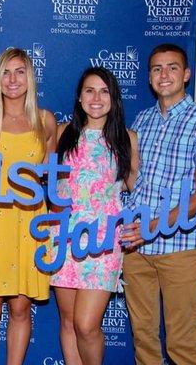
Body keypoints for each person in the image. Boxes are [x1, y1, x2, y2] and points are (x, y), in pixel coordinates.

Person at [120, 43, 196, 365]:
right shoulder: (142, 120)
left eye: (171, 67)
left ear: (186, 74)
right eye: (156, 68)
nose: (164, 74)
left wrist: (151, 227)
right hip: (136, 248)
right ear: (149, 77)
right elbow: (133, 181)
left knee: (181, 341)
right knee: (143, 338)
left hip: (178, 246)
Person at [0, 47, 57, 364]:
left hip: (30, 222)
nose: (13, 79)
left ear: (30, 77)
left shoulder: (45, 120)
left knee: (20, 306)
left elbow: (52, 176)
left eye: (20, 71)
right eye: (6, 72)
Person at [50, 67, 139, 365]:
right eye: (89, 90)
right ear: (79, 96)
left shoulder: (127, 139)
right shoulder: (62, 133)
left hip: (103, 242)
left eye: (104, 91)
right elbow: (47, 182)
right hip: (63, 237)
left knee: (86, 325)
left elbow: (137, 189)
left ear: (114, 98)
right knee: (68, 322)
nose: (96, 97)